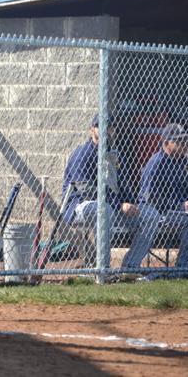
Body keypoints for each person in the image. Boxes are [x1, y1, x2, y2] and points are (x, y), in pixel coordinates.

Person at [61, 114, 159, 272]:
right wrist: (119, 204)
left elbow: (124, 184)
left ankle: (130, 267)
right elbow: (86, 191)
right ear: (92, 129)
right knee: (103, 209)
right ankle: (103, 269)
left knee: (150, 215)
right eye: (101, 126)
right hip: (78, 208)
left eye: (110, 127)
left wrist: (131, 203)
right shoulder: (82, 153)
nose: (106, 130)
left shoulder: (114, 154)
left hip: (112, 207)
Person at [135, 123, 188, 280]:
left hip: (178, 210)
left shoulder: (181, 162)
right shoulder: (157, 162)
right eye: (179, 141)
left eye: (185, 140)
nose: (184, 144)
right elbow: (150, 198)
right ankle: (182, 267)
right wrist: (180, 205)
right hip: (160, 213)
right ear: (166, 143)